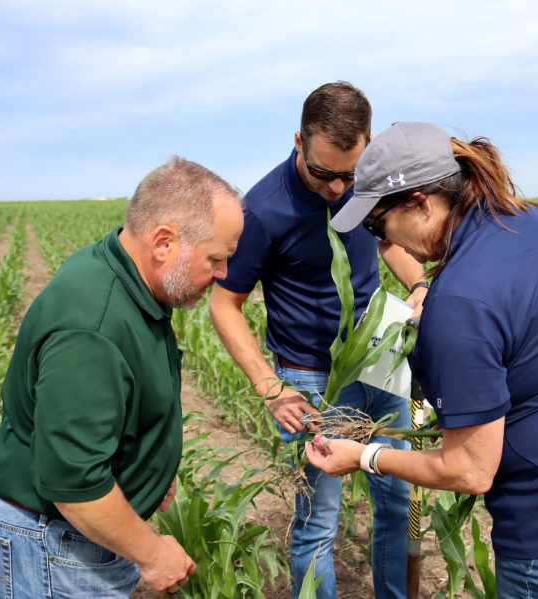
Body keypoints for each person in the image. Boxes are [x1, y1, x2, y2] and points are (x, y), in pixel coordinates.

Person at [306, 121, 538, 599]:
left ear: (422, 204)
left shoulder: (460, 302)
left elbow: (469, 471)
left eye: (379, 224)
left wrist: (363, 455)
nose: (382, 246)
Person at [0, 157, 244, 599]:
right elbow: (73, 483)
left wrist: (149, 467)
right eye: (217, 258)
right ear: (163, 244)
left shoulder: (123, 271)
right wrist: (153, 553)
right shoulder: (91, 332)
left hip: (68, 532)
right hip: (50, 540)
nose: (224, 274)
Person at [209, 82, 428, 599]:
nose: (336, 189)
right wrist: (271, 387)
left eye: (349, 174)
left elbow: (386, 240)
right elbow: (225, 305)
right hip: (312, 379)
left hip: (383, 361)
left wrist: (418, 282)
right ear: (298, 141)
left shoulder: (365, 182)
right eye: (323, 173)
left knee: (399, 501)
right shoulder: (262, 209)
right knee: (317, 519)